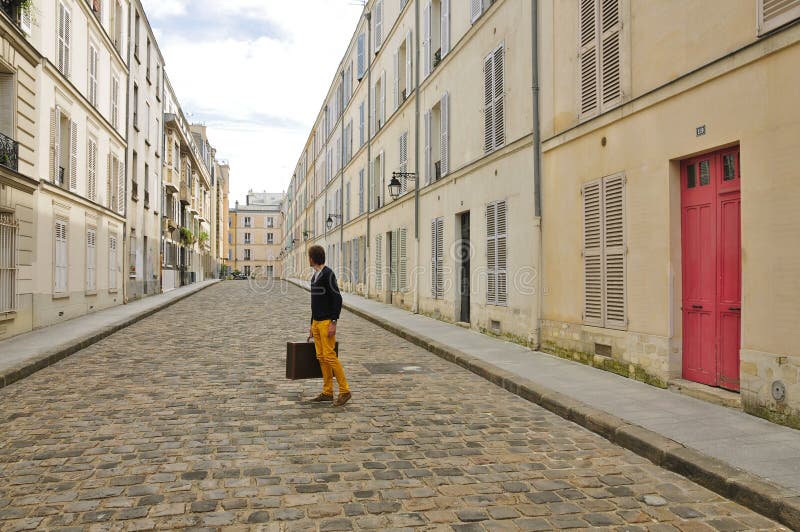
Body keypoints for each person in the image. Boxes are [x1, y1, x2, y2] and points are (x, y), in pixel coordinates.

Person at [307, 245, 351, 407]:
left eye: (309, 256)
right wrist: (311, 324)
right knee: (321, 357)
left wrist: (334, 321)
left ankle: (345, 390)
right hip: (317, 323)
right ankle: (327, 392)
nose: (308, 259)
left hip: (326, 322)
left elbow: (337, 299)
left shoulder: (328, 274)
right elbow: (315, 303)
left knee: (330, 357)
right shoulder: (315, 276)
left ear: (313, 258)